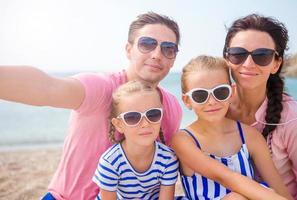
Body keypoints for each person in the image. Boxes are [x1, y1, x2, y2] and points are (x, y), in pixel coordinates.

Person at [0, 12, 182, 200]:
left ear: (174, 58)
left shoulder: (171, 107)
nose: (157, 54)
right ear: (128, 49)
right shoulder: (100, 88)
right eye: (147, 44)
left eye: (168, 49)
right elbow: (47, 88)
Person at [171, 55, 292, 199]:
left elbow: (278, 189)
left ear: (231, 92)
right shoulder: (183, 140)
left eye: (220, 92)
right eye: (200, 95)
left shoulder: (249, 136)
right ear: (187, 101)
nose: (211, 102)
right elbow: (226, 177)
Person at [223, 14, 297, 199]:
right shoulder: (215, 105)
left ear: (276, 64)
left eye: (262, 55)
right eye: (238, 54)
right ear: (227, 58)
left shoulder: (293, 119)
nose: (248, 64)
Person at [93, 80, 178, 200]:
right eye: (132, 117)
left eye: (153, 114)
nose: (145, 124)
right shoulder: (110, 162)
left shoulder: (168, 158)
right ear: (119, 125)